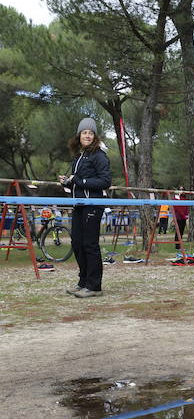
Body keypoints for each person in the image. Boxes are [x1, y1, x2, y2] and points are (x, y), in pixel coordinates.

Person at [59, 118, 112, 298]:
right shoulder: (79, 156)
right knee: (77, 244)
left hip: (93, 205)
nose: (87, 135)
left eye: (90, 133)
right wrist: (67, 182)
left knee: (90, 245)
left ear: (94, 136)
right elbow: (76, 183)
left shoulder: (99, 155)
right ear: (79, 135)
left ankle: (94, 286)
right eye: (84, 132)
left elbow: (105, 181)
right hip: (79, 205)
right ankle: (83, 282)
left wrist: (79, 181)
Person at [173, 186, 189, 252]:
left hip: (183, 217)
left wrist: (186, 214)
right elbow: (177, 207)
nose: (182, 191)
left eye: (183, 189)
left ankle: (179, 245)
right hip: (178, 217)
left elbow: (186, 207)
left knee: (181, 231)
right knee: (178, 232)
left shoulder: (185, 198)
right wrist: (182, 214)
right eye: (180, 189)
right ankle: (177, 246)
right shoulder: (176, 197)